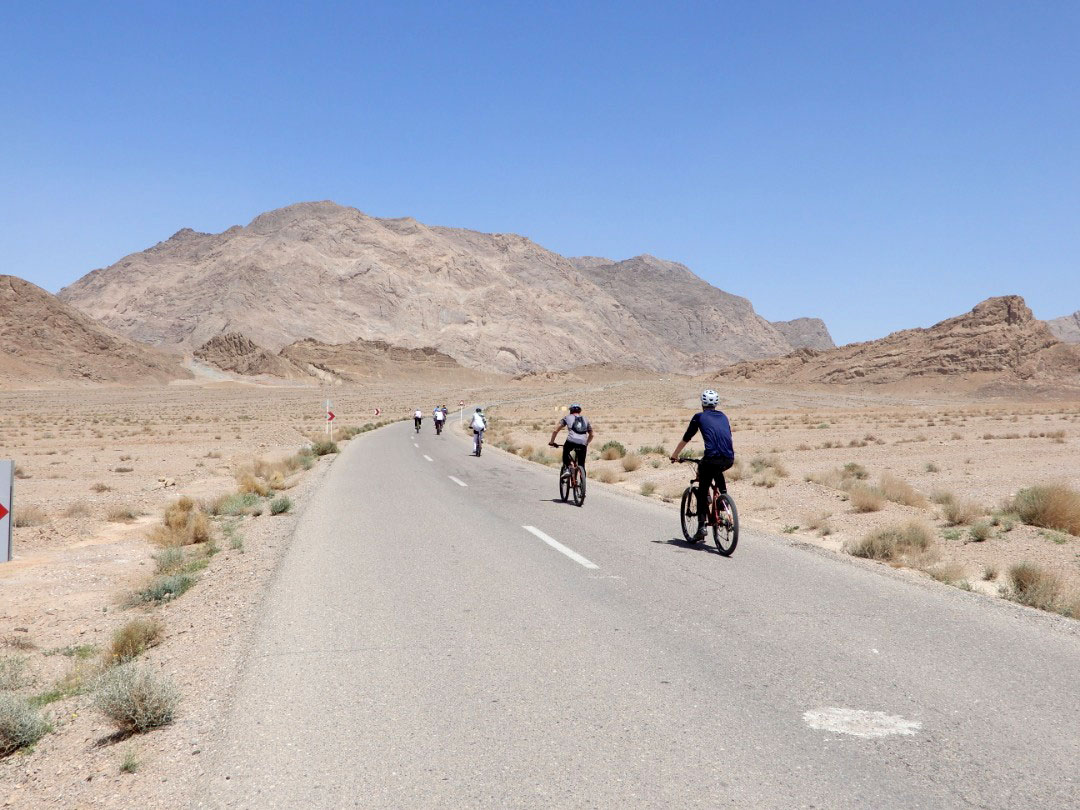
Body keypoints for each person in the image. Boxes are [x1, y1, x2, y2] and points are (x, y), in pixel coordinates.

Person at [670, 389, 735, 541]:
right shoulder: (724, 416)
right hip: (729, 458)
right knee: (717, 470)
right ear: (716, 403)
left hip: (711, 458)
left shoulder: (698, 417)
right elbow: (727, 436)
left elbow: (686, 438)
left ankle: (701, 527)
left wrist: (675, 456)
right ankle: (723, 498)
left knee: (702, 489)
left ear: (702, 403)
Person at [548, 404, 593, 475]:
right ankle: (582, 478)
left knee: (566, 452)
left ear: (570, 411)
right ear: (579, 411)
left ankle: (567, 468)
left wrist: (552, 442)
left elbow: (555, 430)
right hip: (583, 443)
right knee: (581, 463)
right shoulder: (585, 419)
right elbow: (592, 435)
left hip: (571, 441)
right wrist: (586, 443)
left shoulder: (567, 417)